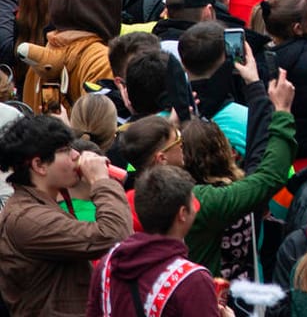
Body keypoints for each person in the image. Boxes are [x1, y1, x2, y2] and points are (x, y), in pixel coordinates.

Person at [0, 114, 132, 317]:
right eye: (64, 150)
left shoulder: (39, 205)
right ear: (39, 165)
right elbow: (114, 235)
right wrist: (100, 181)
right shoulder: (27, 218)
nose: (76, 156)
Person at [87, 165, 220, 317]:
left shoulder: (107, 265)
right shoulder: (193, 281)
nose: (196, 208)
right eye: (192, 203)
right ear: (183, 213)